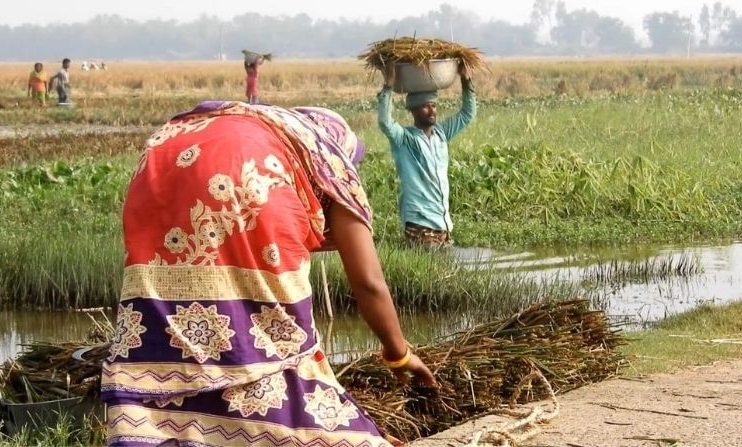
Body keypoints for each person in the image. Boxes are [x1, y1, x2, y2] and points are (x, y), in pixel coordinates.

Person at [100, 100, 436, 447]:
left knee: (180, 332)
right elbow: (368, 282)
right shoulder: (327, 159)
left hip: (160, 159)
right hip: (250, 172)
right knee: (274, 338)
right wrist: (399, 353)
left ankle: (165, 431)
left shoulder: (269, 130)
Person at [377, 61, 477, 248]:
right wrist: (389, 84)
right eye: (425, 106)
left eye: (433, 105)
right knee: (433, 269)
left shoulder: (441, 134)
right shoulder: (405, 139)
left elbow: (467, 115)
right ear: (413, 110)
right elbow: (385, 122)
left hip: (442, 222)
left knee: (444, 271)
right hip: (419, 222)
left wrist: (466, 80)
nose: (432, 111)